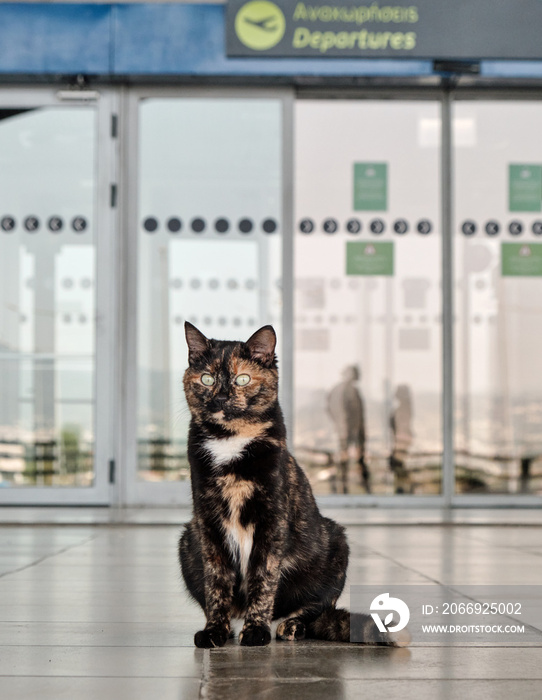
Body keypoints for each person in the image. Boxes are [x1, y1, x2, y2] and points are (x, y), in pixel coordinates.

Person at [327, 365, 370, 493]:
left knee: (350, 460)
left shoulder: (341, 390)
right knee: (345, 460)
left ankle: (348, 487)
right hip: (349, 431)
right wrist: (346, 429)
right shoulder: (345, 390)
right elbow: (341, 412)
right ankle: (343, 488)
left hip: (350, 431)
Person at [389, 384, 413, 494]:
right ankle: (403, 488)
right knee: (398, 466)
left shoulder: (403, 409)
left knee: (398, 465)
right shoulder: (405, 407)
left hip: (401, 440)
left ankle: (404, 489)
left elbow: (402, 426)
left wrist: (399, 444)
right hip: (400, 440)